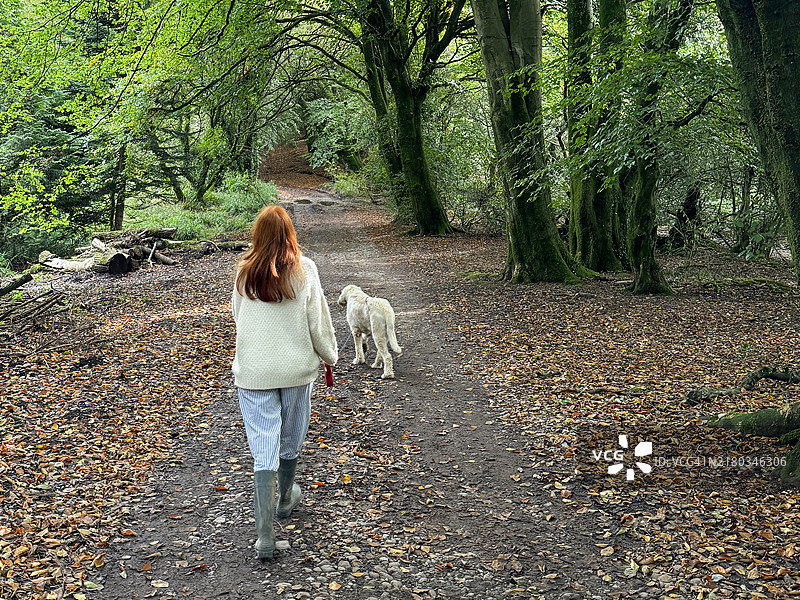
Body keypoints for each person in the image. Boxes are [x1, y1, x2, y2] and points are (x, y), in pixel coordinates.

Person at [231, 205, 338, 560]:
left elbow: (239, 318)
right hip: (295, 370)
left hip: (254, 373)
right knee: (291, 436)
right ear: (289, 233)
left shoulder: (243, 272)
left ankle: (265, 536)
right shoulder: (305, 269)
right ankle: (286, 498)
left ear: (257, 235)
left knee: (264, 446)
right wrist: (329, 355)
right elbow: (317, 320)